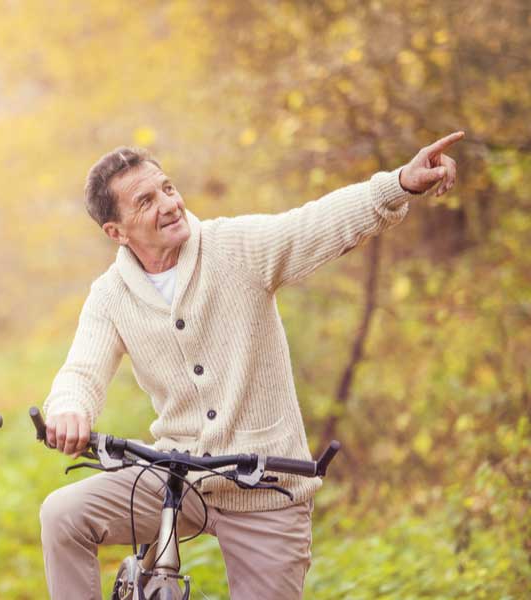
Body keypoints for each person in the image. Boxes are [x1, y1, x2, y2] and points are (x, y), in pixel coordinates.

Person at [39, 133, 463, 599]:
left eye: (168, 188)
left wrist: (399, 184)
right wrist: (69, 409)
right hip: (178, 477)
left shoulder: (235, 247)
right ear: (116, 231)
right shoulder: (110, 294)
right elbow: (82, 371)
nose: (169, 204)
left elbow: (313, 225)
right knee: (63, 515)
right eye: (146, 200)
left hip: (268, 486)